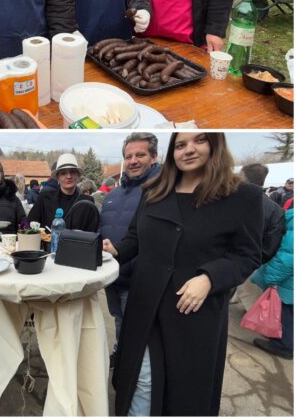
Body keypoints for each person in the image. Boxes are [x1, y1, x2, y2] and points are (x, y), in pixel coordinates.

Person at [104, 132, 263, 416]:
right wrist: (114, 250)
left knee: (182, 393)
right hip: (145, 304)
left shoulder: (242, 196)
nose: (188, 150)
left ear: (216, 145)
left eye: (199, 141)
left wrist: (210, 278)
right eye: (180, 145)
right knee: (142, 380)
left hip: (192, 313)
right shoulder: (153, 191)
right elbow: (135, 239)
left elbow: (247, 254)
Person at [99, 132, 161, 362]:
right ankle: (120, 351)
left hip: (140, 277)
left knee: (138, 325)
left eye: (140, 155)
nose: (133, 160)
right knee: (118, 317)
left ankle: (132, 361)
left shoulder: (160, 191)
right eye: (129, 156)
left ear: (153, 157)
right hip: (112, 275)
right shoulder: (112, 195)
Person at [250, 208, 294, 360]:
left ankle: (284, 345)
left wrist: (272, 277)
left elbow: (289, 255)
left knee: (285, 310)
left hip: (288, 279)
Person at [27, 153, 95, 228]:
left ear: (78, 175)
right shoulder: (45, 197)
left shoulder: (87, 202)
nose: (69, 176)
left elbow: (92, 232)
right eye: (63, 173)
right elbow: (30, 224)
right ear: (57, 177)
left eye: (72, 172)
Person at [240, 163, 286, 265]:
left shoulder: (230, 201)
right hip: (250, 264)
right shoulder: (277, 210)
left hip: (225, 264)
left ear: (243, 178)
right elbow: (270, 247)